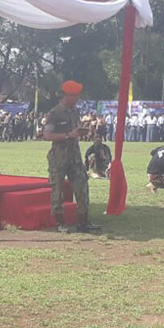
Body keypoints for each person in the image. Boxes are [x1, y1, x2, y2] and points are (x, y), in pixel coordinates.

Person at [43, 80, 100, 233]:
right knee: (58, 190)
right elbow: (47, 135)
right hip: (59, 157)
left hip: (75, 156)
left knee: (82, 187)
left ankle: (83, 222)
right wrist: (69, 135)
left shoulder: (75, 111)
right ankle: (59, 223)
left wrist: (81, 131)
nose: (77, 99)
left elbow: (74, 130)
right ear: (67, 95)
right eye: (75, 96)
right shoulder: (55, 113)